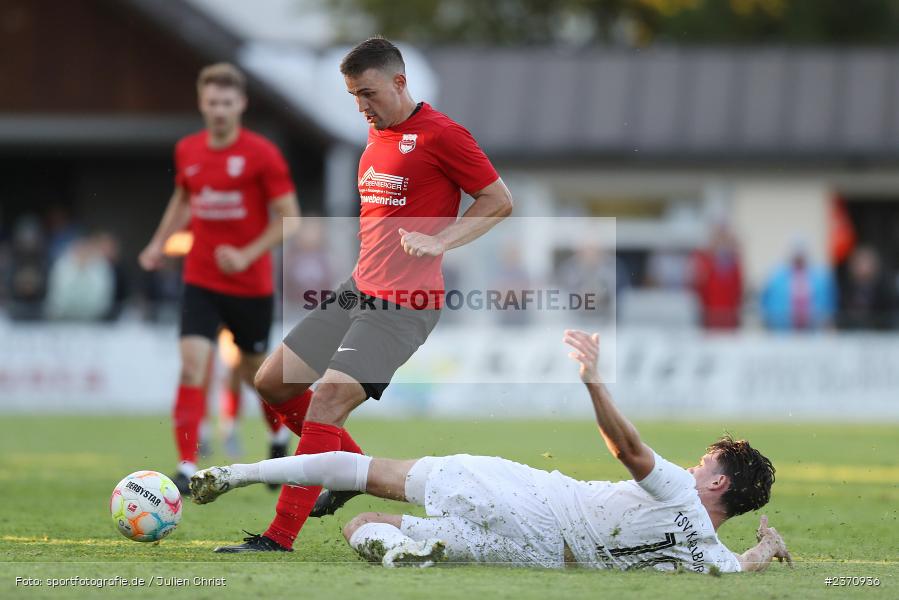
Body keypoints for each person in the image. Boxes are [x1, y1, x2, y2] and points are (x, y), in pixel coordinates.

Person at [213, 37, 513, 553]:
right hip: (357, 292)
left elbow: (499, 200)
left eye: (368, 93)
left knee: (327, 400)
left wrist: (440, 240)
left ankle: (278, 538)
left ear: (400, 82)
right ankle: (343, 470)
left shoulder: (442, 135)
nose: (361, 106)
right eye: (353, 95)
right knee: (271, 383)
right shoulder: (374, 133)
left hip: (404, 305)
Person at [191, 329, 790, 572]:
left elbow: (629, 450)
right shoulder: (711, 557)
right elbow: (747, 566)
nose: (693, 467)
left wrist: (592, 381)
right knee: (370, 523)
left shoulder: (681, 492)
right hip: (539, 557)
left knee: (368, 475)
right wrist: (766, 545)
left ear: (716, 485)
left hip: (529, 498)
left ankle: (237, 472)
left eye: (704, 465)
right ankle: (401, 552)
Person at [138, 63, 300, 494]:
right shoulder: (188, 150)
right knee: (193, 366)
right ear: (201, 103)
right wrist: (159, 243)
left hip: (251, 287)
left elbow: (292, 219)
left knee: (255, 376)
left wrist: (246, 253)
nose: (220, 111)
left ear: (241, 104)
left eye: (227, 103)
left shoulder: (262, 154)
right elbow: (183, 199)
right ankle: (187, 465)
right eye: (212, 102)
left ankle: (277, 438)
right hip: (201, 279)